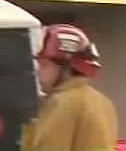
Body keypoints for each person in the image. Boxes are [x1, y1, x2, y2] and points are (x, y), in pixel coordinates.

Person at [21, 23, 119, 151]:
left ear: (66, 68)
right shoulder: (103, 102)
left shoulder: (62, 102)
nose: (38, 71)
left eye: (44, 65)